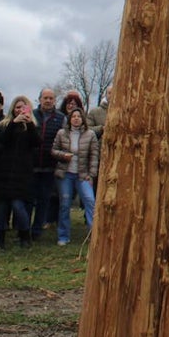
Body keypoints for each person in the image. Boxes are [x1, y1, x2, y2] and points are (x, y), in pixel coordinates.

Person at [0, 96, 40, 249]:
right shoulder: (5, 125)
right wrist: (14, 123)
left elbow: (36, 143)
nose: (20, 110)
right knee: (2, 207)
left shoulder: (32, 126)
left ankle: (25, 237)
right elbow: (2, 141)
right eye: (17, 107)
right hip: (4, 172)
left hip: (22, 173)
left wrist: (29, 123)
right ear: (13, 109)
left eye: (23, 108)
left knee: (19, 206)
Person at [53, 108, 100, 244]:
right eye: (73, 116)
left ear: (82, 119)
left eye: (79, 116)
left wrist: (91, 175)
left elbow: (94, 155)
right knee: (65, 204)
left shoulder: (90, 134)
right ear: (69, 118)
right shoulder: (62, 133)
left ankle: (94, 235)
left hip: (83, 175)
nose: (76, 118)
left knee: (90, 201)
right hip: (65, 174)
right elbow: (54, 150)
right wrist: (63, 155)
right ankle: (63, 236)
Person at [30, 88, 65, 242]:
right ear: (40, 99)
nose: (48, 100)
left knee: (44, 200)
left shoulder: (60, 118)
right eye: (45, 98)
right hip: (31, 164)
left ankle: (37, 230)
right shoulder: (31, 115)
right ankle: (24, 228)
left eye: (51, 98)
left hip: (49, 165)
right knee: (28, 199)